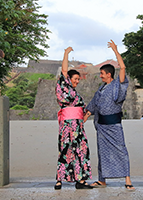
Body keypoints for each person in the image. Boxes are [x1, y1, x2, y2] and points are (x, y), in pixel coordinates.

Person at [84, 40, 135, 191]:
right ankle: (102, 180)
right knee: (102, 152)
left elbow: (123, 67)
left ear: (109, 74)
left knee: (121, 150)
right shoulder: (101, 89)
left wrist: (115, 50)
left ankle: (127, 179)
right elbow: (94, 103)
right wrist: (86, 115)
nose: (100, 76)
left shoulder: (117, 85)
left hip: (114, 125)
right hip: (102, 126)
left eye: (101, 73)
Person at [55, 47, 92, 190]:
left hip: (78, 126)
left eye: (78, 79)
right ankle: (59, 179)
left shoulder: (76, 94)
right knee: (65, 150)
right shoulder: (64, 86)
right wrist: (66, 54)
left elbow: (82, 115)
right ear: (68, 79)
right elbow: (64, 71)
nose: (77, 81)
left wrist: (87, 114)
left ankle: (81, 180)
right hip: (67, 125)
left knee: (81, 151)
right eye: (75, 79)